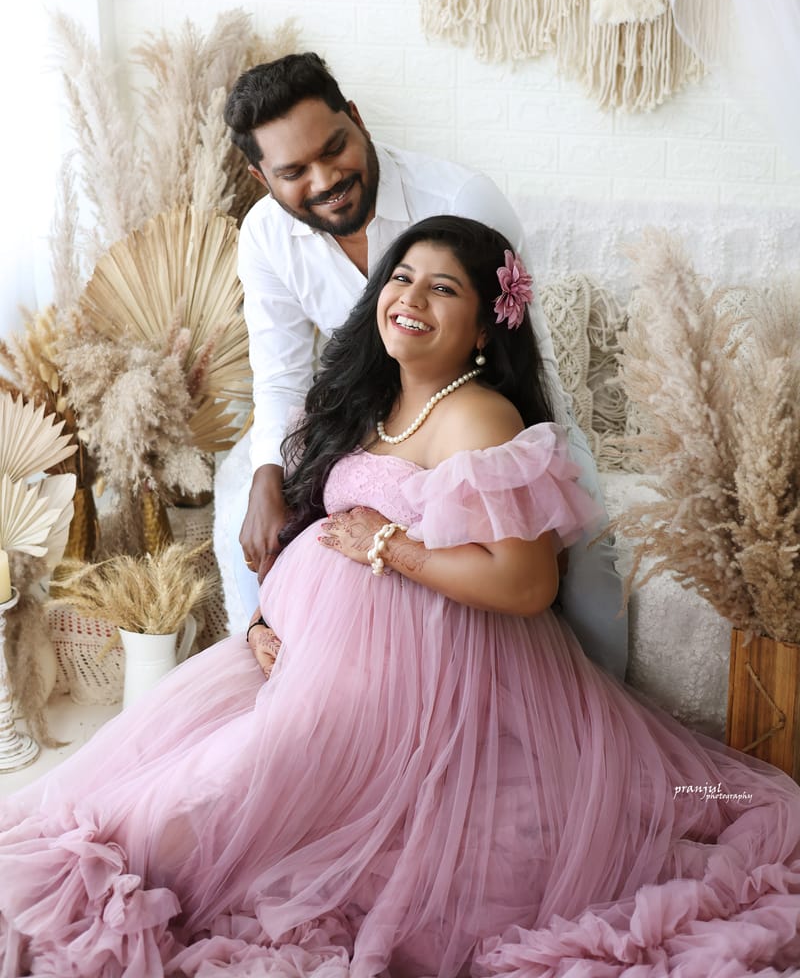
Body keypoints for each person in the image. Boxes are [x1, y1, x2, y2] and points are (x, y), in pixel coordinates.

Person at [2, 216, 799, 978]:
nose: (411, 299)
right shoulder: (367, 403)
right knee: (159, 785)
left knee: (217, 803)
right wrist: (259, 621)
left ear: (488, 326)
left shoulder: (479, 417)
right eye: (402, 278)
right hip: (305, 654)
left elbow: (525, 584)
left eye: (443, 290)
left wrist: (391, 547)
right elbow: (313, 532)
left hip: (419, 679)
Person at [224, 53, 628, 679]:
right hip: (370, 412)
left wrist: (506, 484)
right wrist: (268, 477)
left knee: (592, 569)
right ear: (261, 177)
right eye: (294, 171)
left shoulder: (461, 198)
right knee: (242, 515)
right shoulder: (264, 236)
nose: (326, 178)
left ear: (356, 118)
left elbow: (518, 347)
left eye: (335, 149)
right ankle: (270, 654)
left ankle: (597, 716)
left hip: (482, 407)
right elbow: (280, 376)